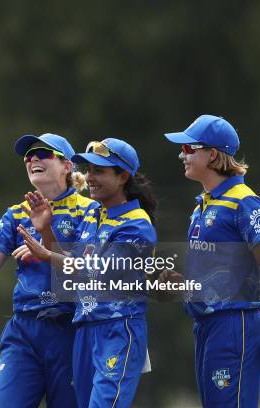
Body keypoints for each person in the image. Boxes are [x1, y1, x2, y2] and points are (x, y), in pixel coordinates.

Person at [0, 133, 97, 407]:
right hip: (24, 328)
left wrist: (45, 240)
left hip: (70, 327)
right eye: (29, 155)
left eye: (43, 153)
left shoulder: (90, 211)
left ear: (67, 166)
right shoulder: (16, 214)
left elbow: (85, 271)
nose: (33, 158)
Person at [18, 138, 157, 408]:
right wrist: (46, 233)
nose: (90, 178)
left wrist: (47, 255)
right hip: (84, 328)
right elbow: (71, 271)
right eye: (89, 170)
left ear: (123, 176)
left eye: (100, 171)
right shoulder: (93, 216)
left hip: (119, 328)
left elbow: (101, 272)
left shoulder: (137, 223)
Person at [162, 114, 260, 407]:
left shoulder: (244, 201)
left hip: (236, 325)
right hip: (206, 324)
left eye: (190, 149)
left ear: (213, 154)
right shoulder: (202, 205)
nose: (182, 155)